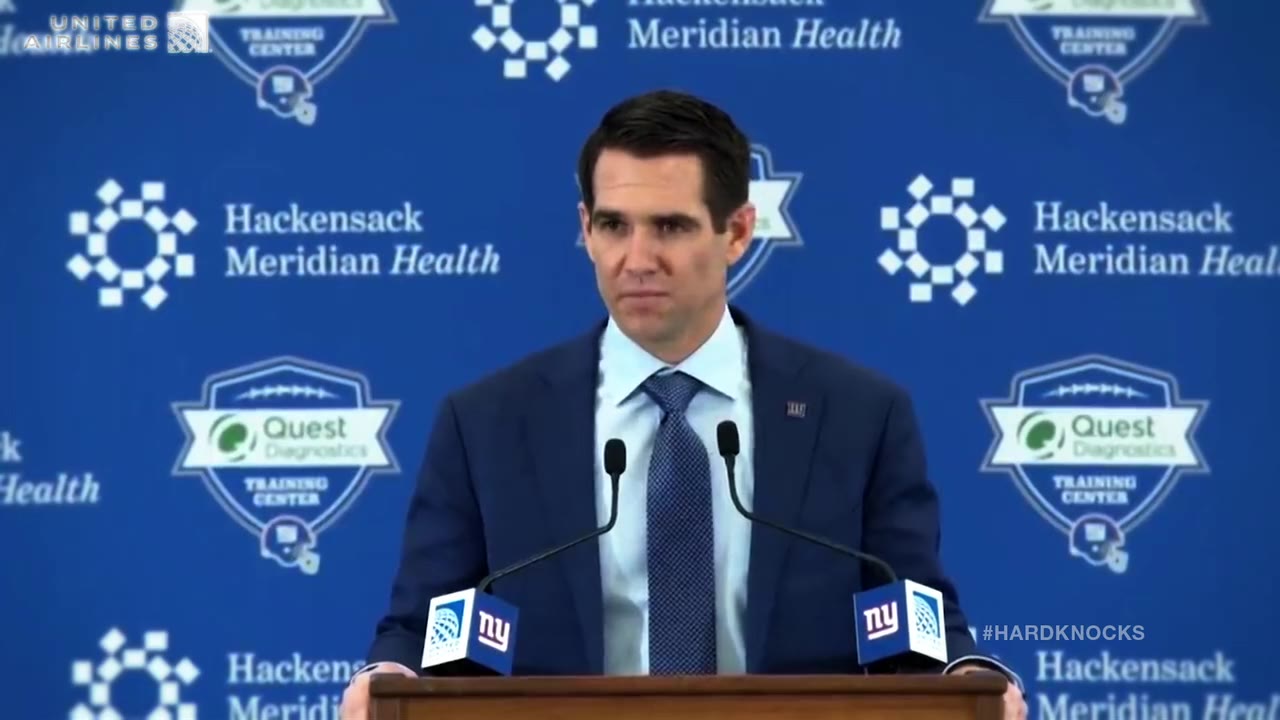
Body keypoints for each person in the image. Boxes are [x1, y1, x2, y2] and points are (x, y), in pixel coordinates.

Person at [340, 89, 1027, 720]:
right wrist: (389, 676)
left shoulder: (858, 415)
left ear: (737, 232)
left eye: (669, 226)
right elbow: (427, 627)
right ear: (585, 229)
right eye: (614, 225)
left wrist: (965, 676)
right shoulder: (488, 425)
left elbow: (910, 618)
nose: (637, 258)